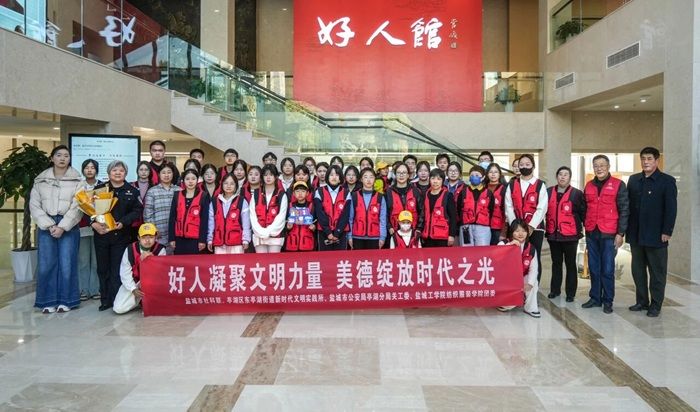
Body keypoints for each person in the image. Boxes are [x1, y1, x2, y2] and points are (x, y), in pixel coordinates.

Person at [29, 145, 84, 313]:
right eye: (59, 155)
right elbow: (34, 205)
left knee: (67, 264)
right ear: (52, 158)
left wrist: (63, 226)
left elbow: (78, 206)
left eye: (66, 156)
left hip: (69, 225)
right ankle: (47, 301)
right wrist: (49, 225)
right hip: (46, 224)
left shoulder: (78, 180)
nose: (62, 158)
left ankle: (67, 300)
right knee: (46, 264)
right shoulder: (40, 180)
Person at [627, 147, 677, 317]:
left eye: (649, 158)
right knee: (638, 271)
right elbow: (628, 206)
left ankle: (655, 304)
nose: (646, 162)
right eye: (643, 158)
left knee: (657, 272)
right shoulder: (634, 180)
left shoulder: (667, 181)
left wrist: (667, 230)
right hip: (636, 234)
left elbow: (671, 209)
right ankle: (642, 301)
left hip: (657, 235)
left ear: (657, 161)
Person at [93, 160, 143, 311]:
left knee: (117, 269)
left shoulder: (132, 191)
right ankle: (105, 300)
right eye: (114, 170)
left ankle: (116, 299)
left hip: (121, 236)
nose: (118, 173)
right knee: (103, 269)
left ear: (125, 173)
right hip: (102, 235)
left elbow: (137, 211)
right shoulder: (99, 189)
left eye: (121, 170)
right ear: (109, 173)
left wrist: (123, 222)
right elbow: (89, 210)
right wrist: (93, 224)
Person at [581, 154, 629, 314]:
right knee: (594, 268)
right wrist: (585, 225)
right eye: (596, 165)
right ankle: (595, 298)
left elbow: (624, 210)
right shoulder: (588, 185)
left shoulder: (618, 184)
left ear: (608, 167)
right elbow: (584, 208)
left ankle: (608, 300)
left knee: (607, 269)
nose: (599, 168)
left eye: (602, 165)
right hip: (592, 232)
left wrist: (620, 233)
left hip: (610, 233)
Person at [545, 166, 586, 302]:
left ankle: (570, 293)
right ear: (556, 177)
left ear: (570, 177)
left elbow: (583, 213)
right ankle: (555, 290)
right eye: (560, 174)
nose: (562, 177)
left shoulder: (577, 194)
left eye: (566, 174)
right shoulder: (548, 192)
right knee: (556, 263)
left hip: (570, 236)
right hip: (553, 235)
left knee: (570, 264)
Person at [504, 154, 548, 281]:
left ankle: (533, 287)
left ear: (533, 166)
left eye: (527, 164)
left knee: (534, 258)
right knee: (515, 257)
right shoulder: (512, 185)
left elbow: (542, 207)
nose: (524, 167)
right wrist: (515, 227)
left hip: (535, 229)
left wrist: (531, 226)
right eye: (521, 164)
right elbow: (508, 205)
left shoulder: (540, 185)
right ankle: (516, 287)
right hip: (516, 229)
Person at [113, 223, 166, 315]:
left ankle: (146, 301)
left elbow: (162, 273)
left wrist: (153, 259)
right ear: (138, 237)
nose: (147, 240)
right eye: (144, 237)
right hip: (135, 282)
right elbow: (125, 272)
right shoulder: (130, 249)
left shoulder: (160, 249)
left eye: (151, 237)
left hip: (153, 283)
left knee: (158, 307)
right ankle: (139, 300)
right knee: (119, 308)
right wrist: (133, 289)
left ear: (155, 237)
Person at [497, 219, 541, 318]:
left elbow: (534, 269)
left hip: (522, 276)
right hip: (506, 279)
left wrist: (529, 283)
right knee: (508, 305)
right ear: (511, 232)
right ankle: (506, 303)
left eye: (523, 231)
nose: (520, 234)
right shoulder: (503, 243)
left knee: (533, 282)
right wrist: (510, 246)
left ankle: (531, 308)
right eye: (517, 231)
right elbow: (496, 257)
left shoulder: (531, 248)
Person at [168, 169, 210, 255]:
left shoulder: (203, 196)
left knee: (194, 262)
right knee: (180, 261)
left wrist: (202, 240)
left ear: (197, 180)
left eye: (193, 179)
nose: (190, 181)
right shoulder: (177, 195)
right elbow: (172, 218)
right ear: (183, 181)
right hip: (179, 238)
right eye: (187, 179)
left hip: (196, 239)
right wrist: (171, 238)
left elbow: (204, 220)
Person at [207, 173, 251, 254]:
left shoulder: (242, 201)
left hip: (237, 243)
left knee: (237, 262)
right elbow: (211, 223)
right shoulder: (214, 202)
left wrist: (246, 239)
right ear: (222, 185)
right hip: (219, 242)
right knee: (220, 262)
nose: (228, 186)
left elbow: (246, 223)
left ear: (236, 186)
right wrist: (209, 239)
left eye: (232, 184)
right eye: (226, 183)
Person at [77, 159, 101, 301]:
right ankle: (83, 290)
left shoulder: (102, 186)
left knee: (96, 261)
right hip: (82, 227)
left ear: (96, 170)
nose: (90, 170)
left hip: (99, 227)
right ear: (83, 170)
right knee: (83, 261)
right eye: (87, 167)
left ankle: (95, 289)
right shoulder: (79, 186)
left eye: (92, 167)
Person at [250, 164, 289, 253]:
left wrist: (268, 231)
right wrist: (261, 232)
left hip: (276, 236)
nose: (268, 177)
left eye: (271, 175)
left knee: (274, 260)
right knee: (261, 260)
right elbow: (252, 215)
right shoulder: (256, 194)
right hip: (259, 236)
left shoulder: (281, 194)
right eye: (265, 175)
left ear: (276, 177)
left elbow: (281, 217)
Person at [143, 162, 180, 254]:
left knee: (174, 260)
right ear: (159, 174)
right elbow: (148, 214)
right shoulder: (152, 191)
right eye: (163, 172)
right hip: (159, 234)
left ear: (173, 174)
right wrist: (153, 230)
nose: (166, 175)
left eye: (169, 172)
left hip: (176, 234)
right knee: (159, 259)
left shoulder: (179, 190)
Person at [348, 168, 387, 249]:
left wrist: (382, 237)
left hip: (375, 237)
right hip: (357, 236)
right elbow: (350, 219)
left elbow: (382, 220)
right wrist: (349, 236)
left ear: (374, 179)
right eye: (365, 177)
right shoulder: (354, 196)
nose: (368, 180)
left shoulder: (380, 197)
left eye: (371, 177)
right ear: (361, 179)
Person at [315, 165, 350, 251]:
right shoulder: (319, 191)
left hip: (341, 232)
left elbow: (345, 215)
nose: (334, 177)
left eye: (337, 175)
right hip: (323, 231)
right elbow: (320, 213)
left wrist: (337, 232)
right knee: (325, 257)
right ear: (327, 177)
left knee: (340, 258)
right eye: (331, 175)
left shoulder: (346, 193)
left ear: (340, 178)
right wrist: (328, 231)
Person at [385, 163, 424, 241]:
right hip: (394, 232)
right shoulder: (388, 192)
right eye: (398, 173)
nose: (401, 175)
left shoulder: (416, 191)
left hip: (413, 232)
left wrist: (419, 228)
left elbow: (422, 211)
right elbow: (385, 213)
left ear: (408, 175)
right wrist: (389, 227)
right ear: (395, 175)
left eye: (404, 173)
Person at [458, 165, 493, 246]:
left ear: (483, 177)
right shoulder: (463, 192)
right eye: (472, 175)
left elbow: (491, 210)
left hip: (483, 227)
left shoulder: (488, 193)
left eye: (477, 175)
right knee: (466, 251)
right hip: (466, 227)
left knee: (482, 251)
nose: (474, 177)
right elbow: (459, 208)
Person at [421, 169, 457, 247]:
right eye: (433, 178)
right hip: (427, 236)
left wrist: (451, 235)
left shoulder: (448, 195)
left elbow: (453, 217)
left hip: (442, 237)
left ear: (443, 181)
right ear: (429, 179)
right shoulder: (425, 195)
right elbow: (422, 215)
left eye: (438, 179)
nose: (435, 181)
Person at [285, 181, 316, 252]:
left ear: (307, 193)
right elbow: (285, 221)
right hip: (292, 242)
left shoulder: (312, 206)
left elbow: (316, 221)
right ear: (293, 193)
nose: (300, 193)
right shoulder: (290, 206)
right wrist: (288, 227)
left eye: (303, 191)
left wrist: (314, 228)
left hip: (307, 242)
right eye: (297, 191)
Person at [131, 160, 155, 240]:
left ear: (149, 172)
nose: (143, 172)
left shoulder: (154, 187)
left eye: (146, 170)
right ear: (137, 171)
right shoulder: (131, 186)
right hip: (134, 221)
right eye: (141, 170)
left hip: (149, 222)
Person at [486, 163, 507, 245]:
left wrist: (504, 231)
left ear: (499, 174)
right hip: (483, 226)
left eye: (496, 172)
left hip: (498, 227)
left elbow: (506, 211)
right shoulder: (483, 188)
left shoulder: (504, 189)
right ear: (487, 174)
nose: (493, 174)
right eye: (491, 172)